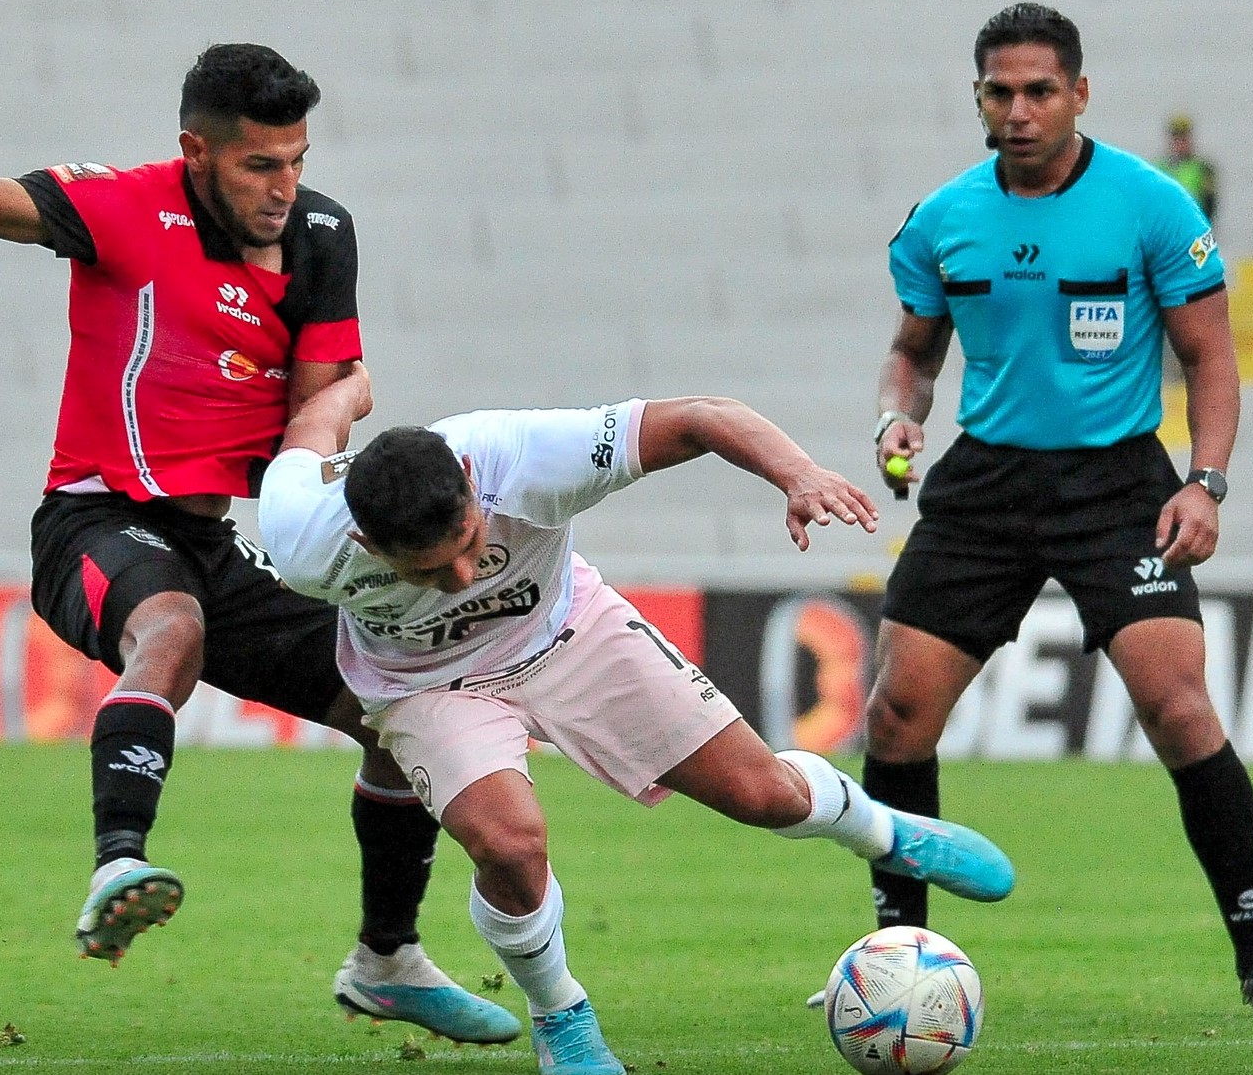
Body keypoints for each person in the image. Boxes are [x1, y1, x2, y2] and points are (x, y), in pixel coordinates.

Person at [0, 45, 519, 1044]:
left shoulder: (323, 233)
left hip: (212, 542)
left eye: (295, 160)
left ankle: (385, 961)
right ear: (194, 154)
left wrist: (339, 422)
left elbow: (320, 395)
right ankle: (119, 859)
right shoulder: (117, 208)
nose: (283, 187)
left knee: (403, 707)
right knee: (170, 632)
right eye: (260, 165)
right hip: (94, 517)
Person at [258, 376, 1015, 1075]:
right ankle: (561, 1014)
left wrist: (795, 471)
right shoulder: (302, 537)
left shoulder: (523, 456)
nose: (462, 579)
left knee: (766, 796)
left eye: (469, 545)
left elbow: (700, 418)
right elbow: (307, 432)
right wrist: (329, 402)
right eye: (428, 570)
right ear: (363, 543)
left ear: (468, 484)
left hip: (568, 632)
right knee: (508, 841)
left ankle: (885, 832)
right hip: (427, 684)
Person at [863, 2, 1253, 1017]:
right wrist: (897, 420)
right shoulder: (944, 220)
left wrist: (1204, 482)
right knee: (895, 711)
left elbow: (1209, 356)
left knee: (1177, 706)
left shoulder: (1151, 207)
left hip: (1117, 483)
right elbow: (912, 353)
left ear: (1078, 92)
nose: (1018, 110)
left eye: (1037, 90)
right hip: (985, 482)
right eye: (998, 92)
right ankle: (897, 955)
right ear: (977, 97)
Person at [1156, 114, 1218, 224]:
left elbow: (1210, 203)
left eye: (1183, 139)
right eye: (1176, 139)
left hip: (1194, 227)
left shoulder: (1202, 168)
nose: (1180, 144)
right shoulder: (1159, 168)